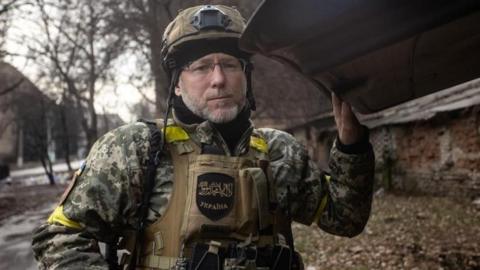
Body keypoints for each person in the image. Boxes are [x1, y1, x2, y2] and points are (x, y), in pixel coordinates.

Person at [32, 5, 374, 270]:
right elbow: (61, 237)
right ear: (177, 84)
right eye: (201, 67)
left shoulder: (278, 150)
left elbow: (345, 218)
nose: (219, 79)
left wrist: (352, 146)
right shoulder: (136, 149)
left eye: (230, 64)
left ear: (246, 76)